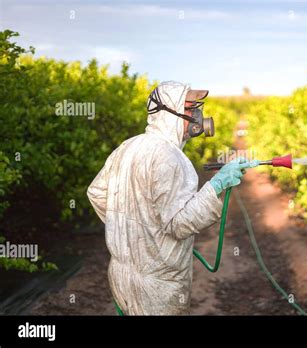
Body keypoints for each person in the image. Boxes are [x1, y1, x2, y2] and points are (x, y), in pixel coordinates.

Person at [87, 81, 257, 315]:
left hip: (121, 276)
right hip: (158, 285)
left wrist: (132, 232)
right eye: (189, 108)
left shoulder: (128, 147)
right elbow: (180, 224)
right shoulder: (170, 157)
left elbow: (96, 193)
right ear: (167, 112)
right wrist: (217, 185)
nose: (197, 115)